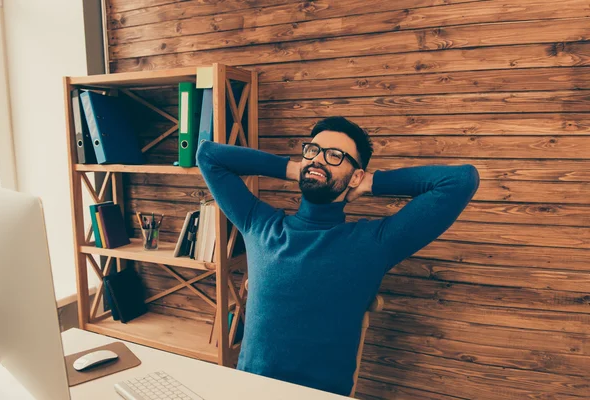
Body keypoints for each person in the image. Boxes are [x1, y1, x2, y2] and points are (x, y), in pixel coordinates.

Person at [196, 116, 479, 396]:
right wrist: (294, 168)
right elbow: (208, 156)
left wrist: (371, 183)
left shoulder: (374, 243)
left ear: (355, 175)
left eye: (335, 156)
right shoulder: (259, 224)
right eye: (313, 151)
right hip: (248, 391)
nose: (318, 159)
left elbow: (460, 181)